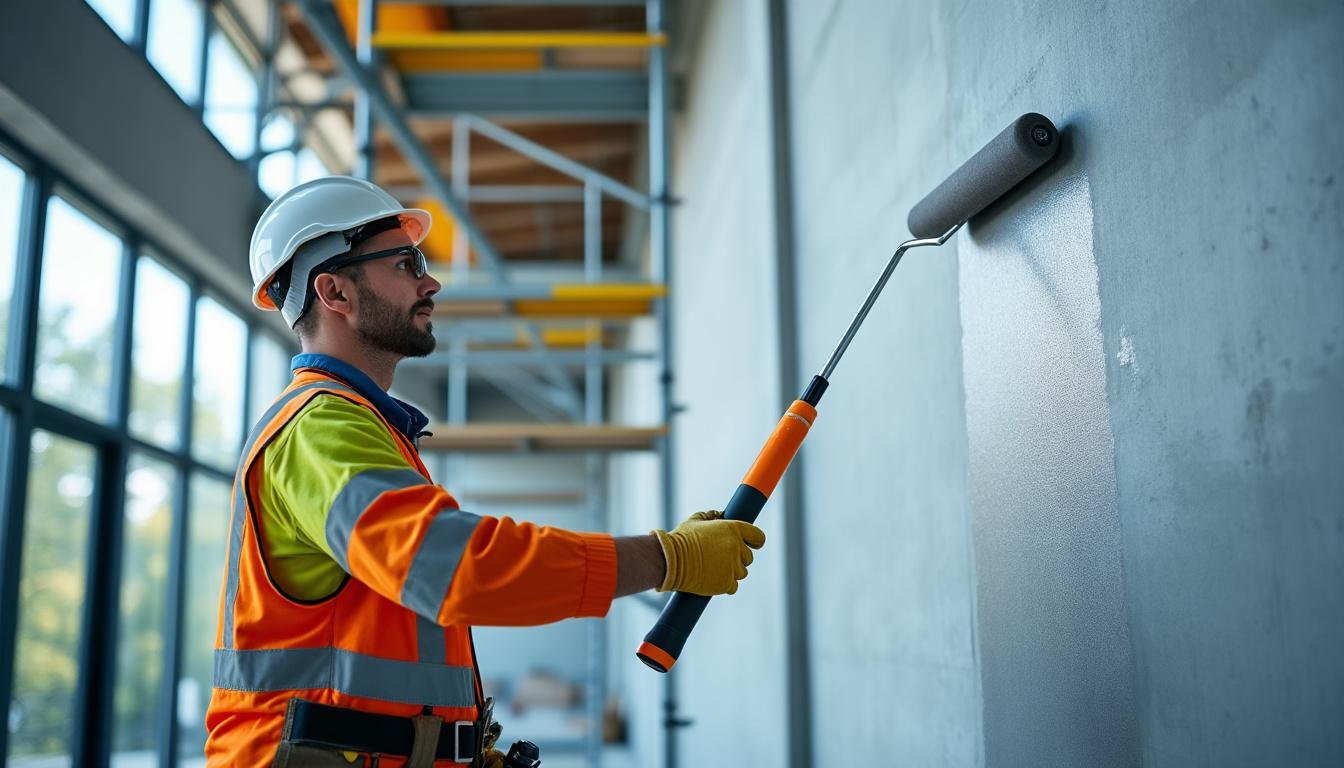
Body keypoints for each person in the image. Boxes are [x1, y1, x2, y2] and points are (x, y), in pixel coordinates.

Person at [204, 176, 765, 768]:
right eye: (405, 262)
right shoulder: (319, 429)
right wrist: (666, 557)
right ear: (335, 292)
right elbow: (459, 569)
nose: (430, 280)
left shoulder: (365, 428)